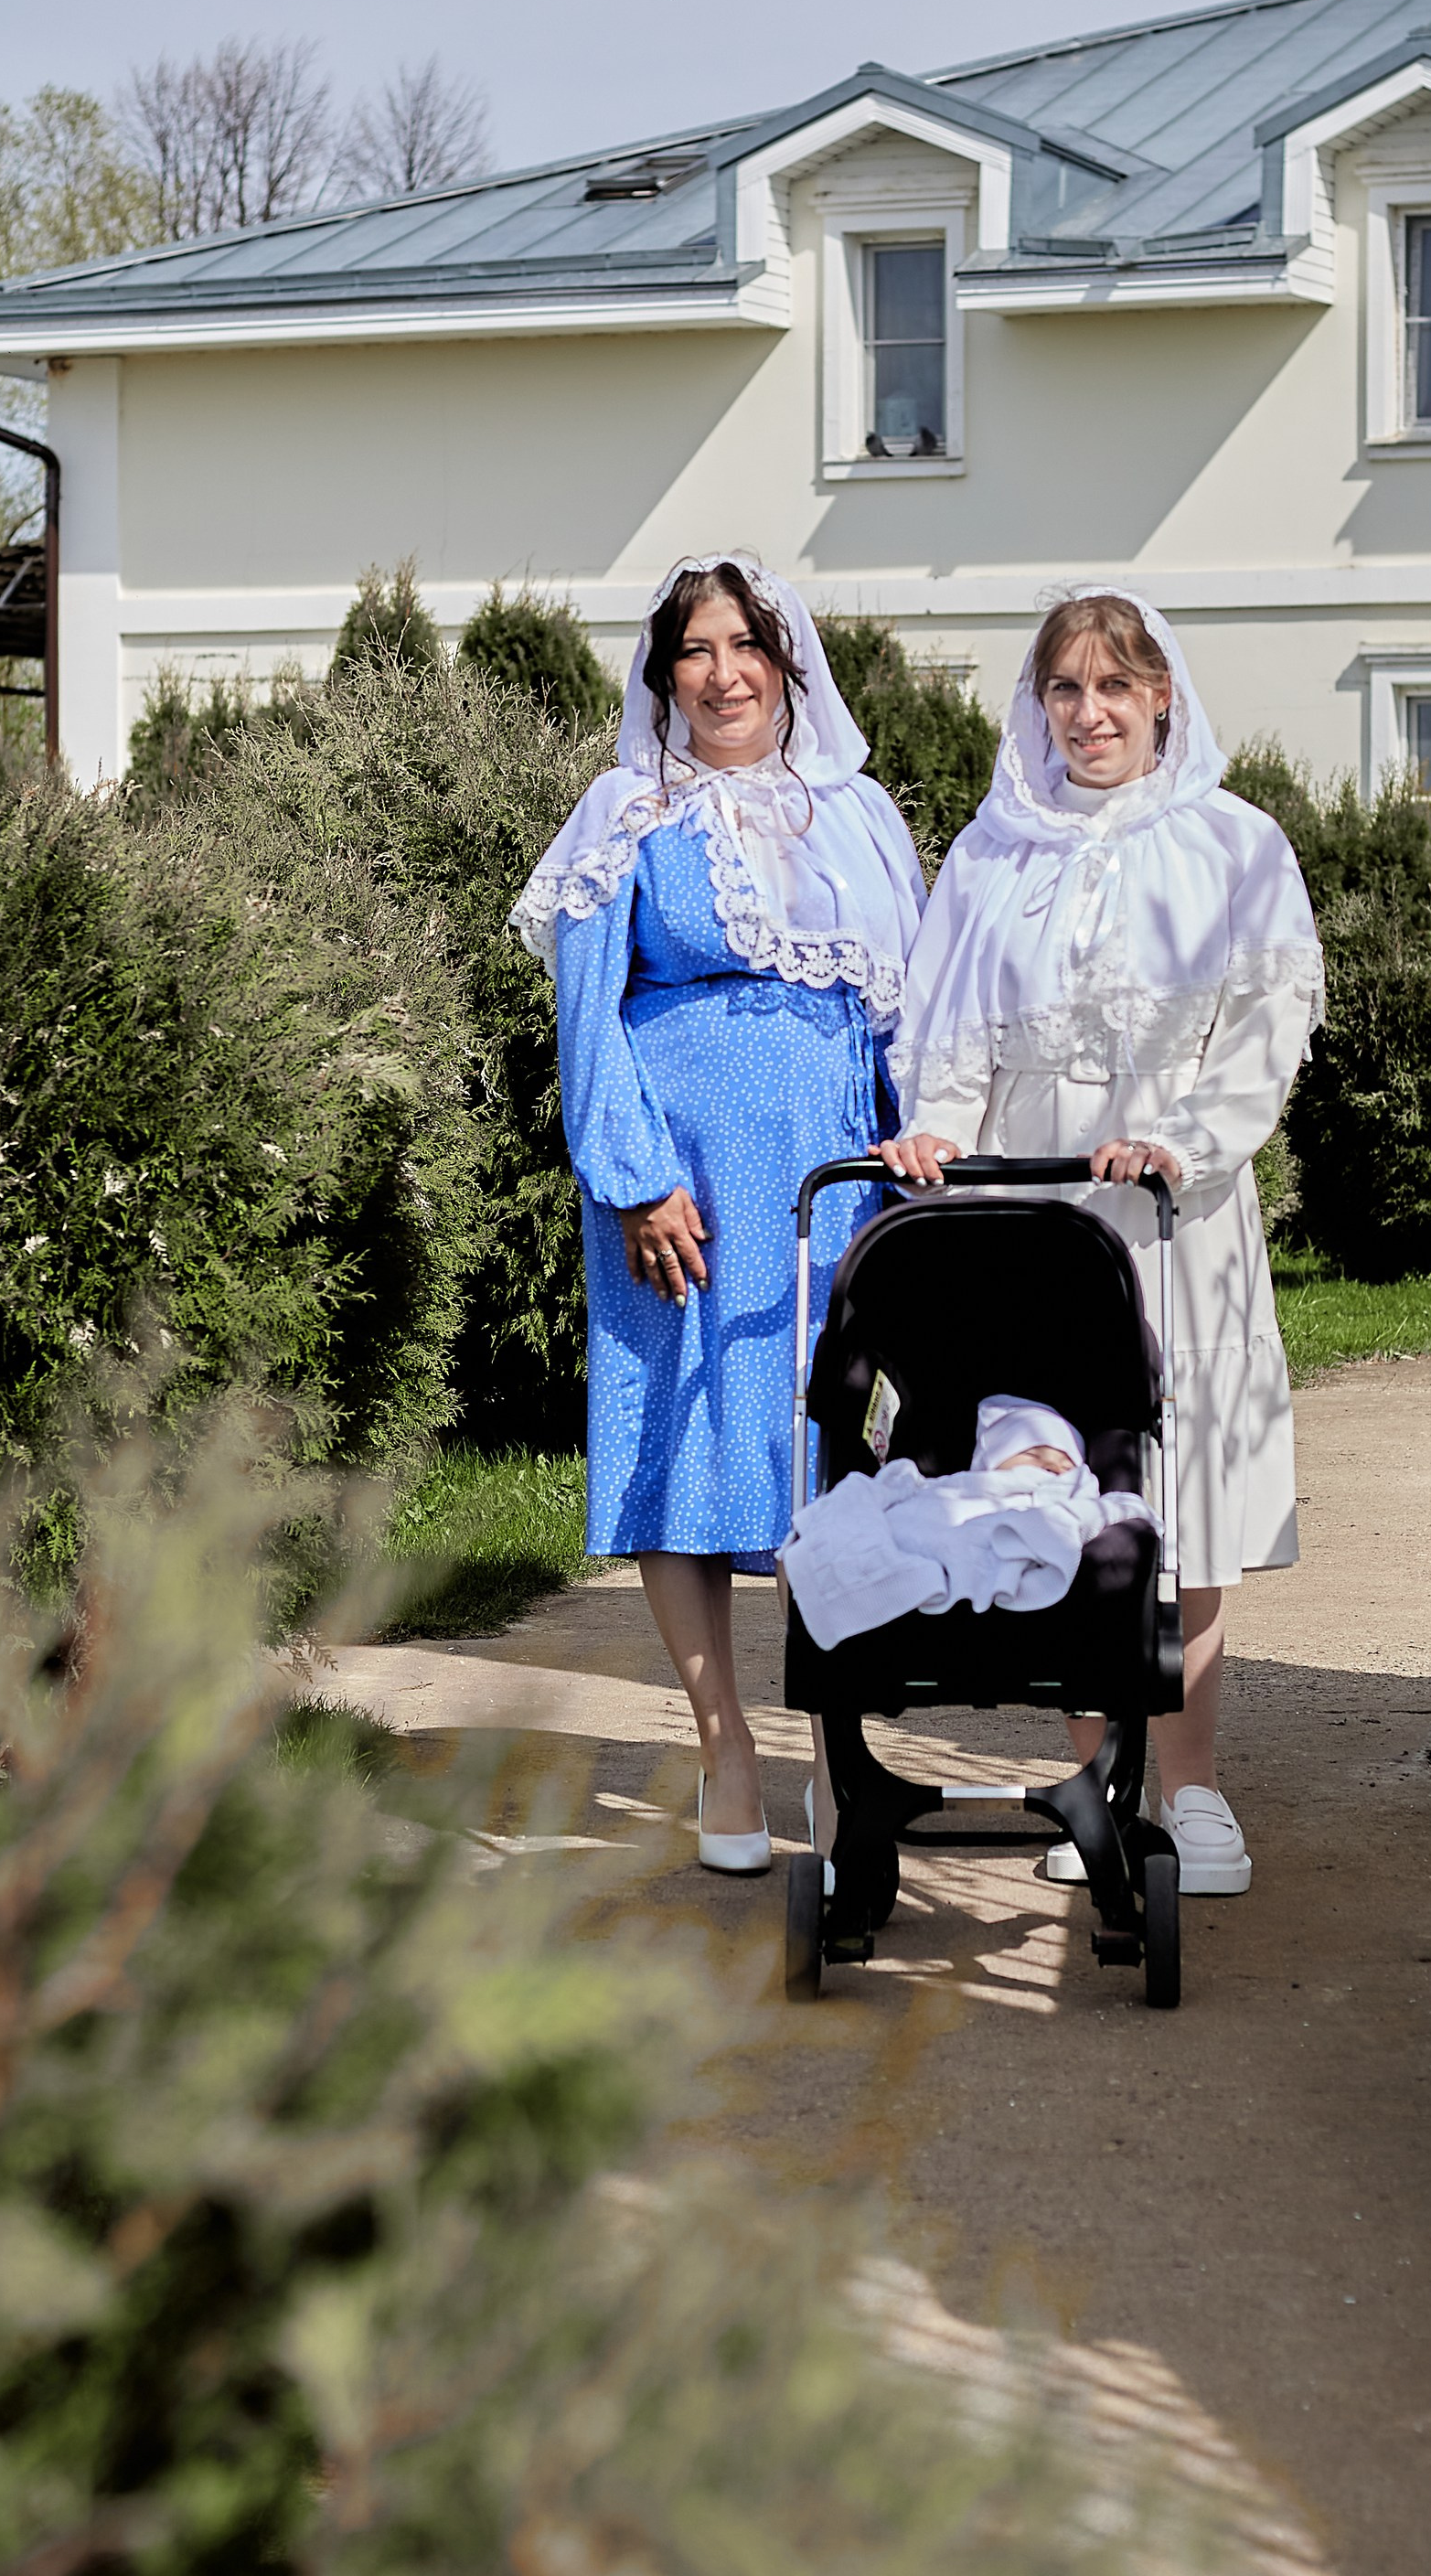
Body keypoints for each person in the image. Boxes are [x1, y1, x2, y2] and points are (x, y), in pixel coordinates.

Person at [876, 584, 1319, 1897]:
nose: (1088, 715)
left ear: (1159, 695)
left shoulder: (1234, 846)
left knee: (1182, 1509)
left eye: (1112, 688)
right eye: (1064, 689)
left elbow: (1265, 1023)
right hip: (1036, 1221)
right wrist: (932, 1131)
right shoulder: (990, 853)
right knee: (1067, 1492)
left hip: (1170, 1212)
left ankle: (1190, 1789)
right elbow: (948, 1035)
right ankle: (1090, 1784)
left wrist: (1185, 1139)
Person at [509, 552, 926, 1872]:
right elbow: (586, 1021)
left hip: (833, 1178)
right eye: (694, 649)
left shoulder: (853, 817)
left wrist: (919, 1153)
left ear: (786, 661)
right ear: (662, 673)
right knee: (685, 1456)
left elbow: (909, 1018)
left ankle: (833, 1745)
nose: (723, 672)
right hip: (679, 1183)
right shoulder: (623, 811)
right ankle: (723, 1748)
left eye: (745, 644)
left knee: (834, 1455)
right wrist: (632, 1180)